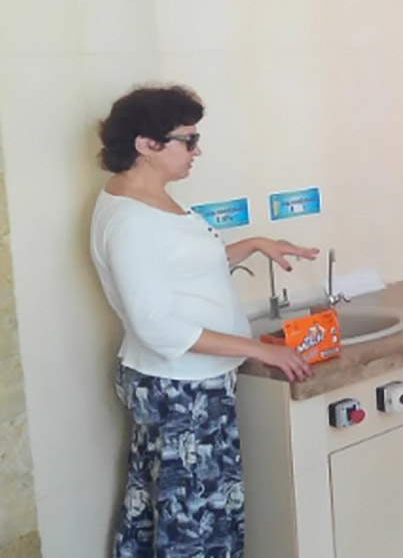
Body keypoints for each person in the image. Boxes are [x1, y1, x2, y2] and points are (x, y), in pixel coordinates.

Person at [91, 85, 320, 557]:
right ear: (146, 144)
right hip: (180, 388)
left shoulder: (152, 200)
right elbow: (156, 324)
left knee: (187, 507)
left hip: (192, 381)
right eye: (188, 140)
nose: (197, 151)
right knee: (194, 520)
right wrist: (259, 348)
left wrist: (254, 244)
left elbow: (186, 270)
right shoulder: (132, 221)